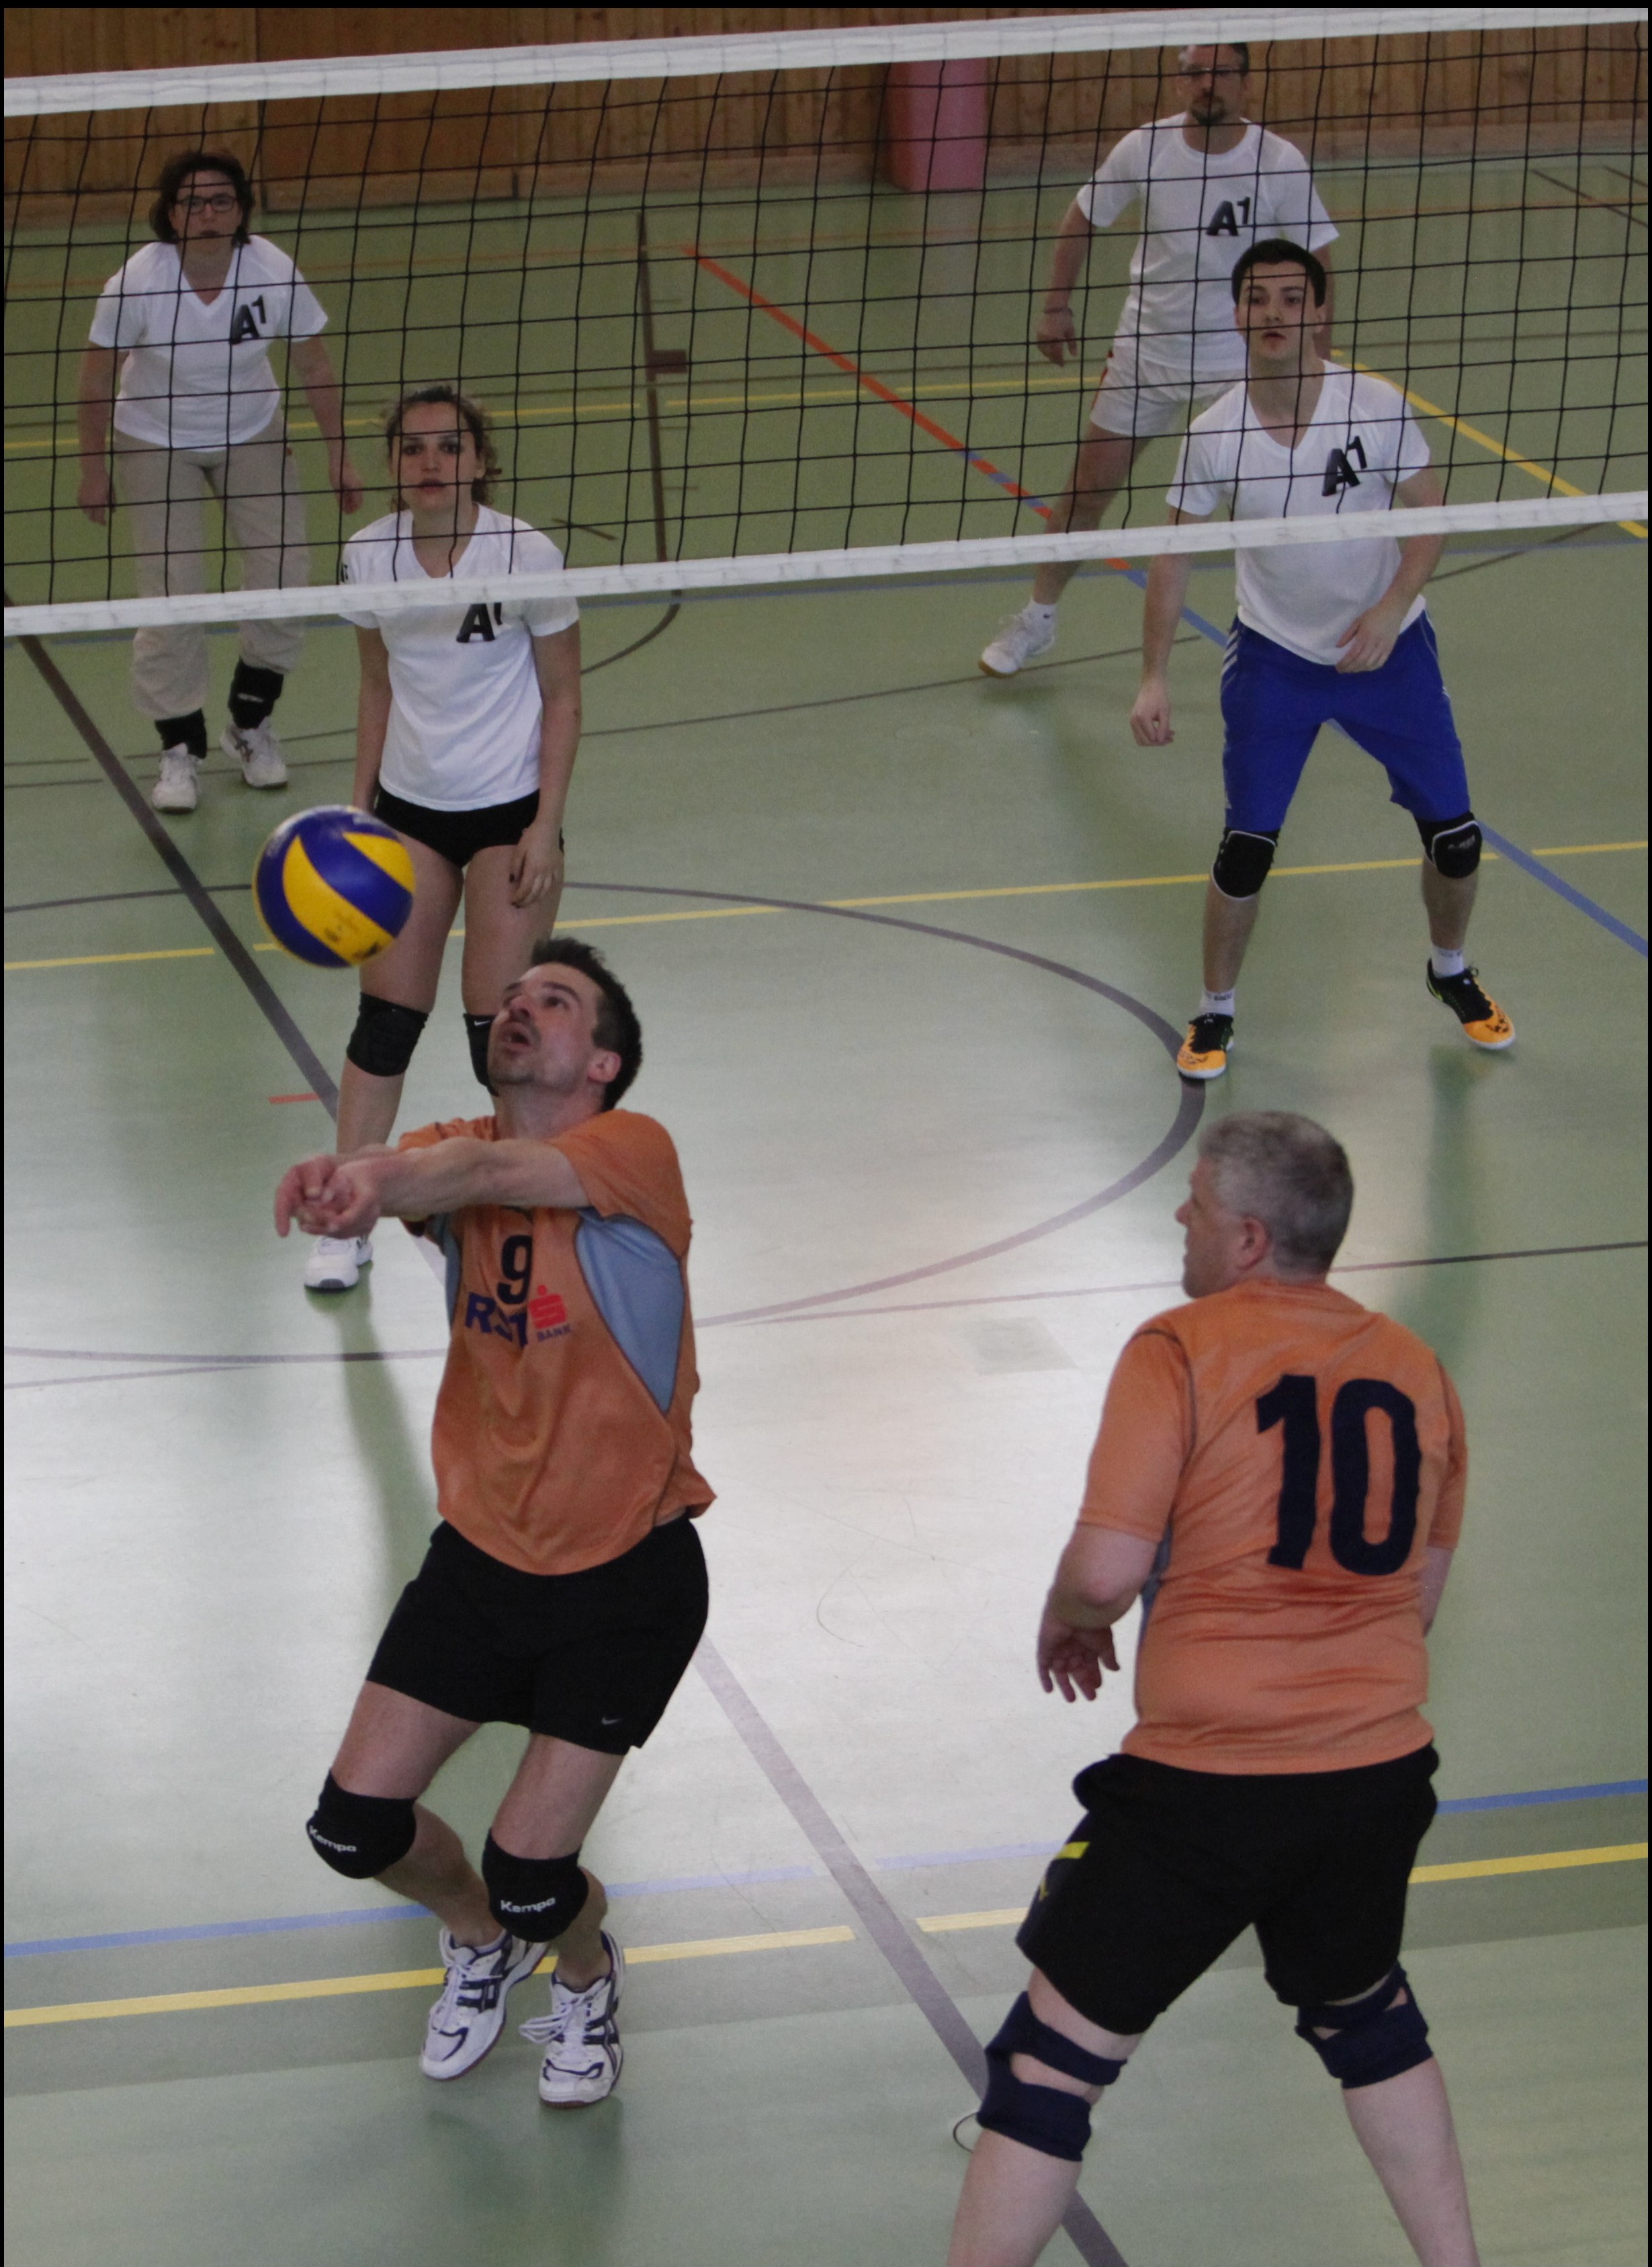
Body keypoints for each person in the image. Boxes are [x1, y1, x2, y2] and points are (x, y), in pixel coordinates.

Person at [947, 1111, 1481, 2267]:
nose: (1176, 1216)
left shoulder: (1177, 1348)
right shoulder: (1418, 1368)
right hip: (1375, 1771)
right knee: (1365, 2017)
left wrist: (1071, 1613)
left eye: (1193, 1204)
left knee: (1048, 2065)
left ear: (1245, 1238)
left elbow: (1104, 1569)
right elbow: (1418, 1599)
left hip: (1207, 1781)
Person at [274, 937, 711, 2106]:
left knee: (533, 1871)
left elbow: (477, 1172)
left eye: (553, 1001)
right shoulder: (451, 1149)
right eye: (511, 997)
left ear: (601, 1061)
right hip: (480, 1560)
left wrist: (391, 1179)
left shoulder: (632, 1152)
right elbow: (427, 1171)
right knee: (353, 1826)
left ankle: (583, 1969)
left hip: (625, 1574)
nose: (519, 1007)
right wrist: (355, 1177)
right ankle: (478, 1938)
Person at [1130, 241, 1514, 1080]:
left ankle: (1449, 969)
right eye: (1257, 298)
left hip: (1389, 653)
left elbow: (1428, 516)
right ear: (1236, 313)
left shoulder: (1372, 405)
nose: (1273, 313)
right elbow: (1171, 554)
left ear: (1318, 310)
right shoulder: (1213, 434)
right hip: (1273, 659)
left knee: (1455, 839)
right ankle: (1214, 1010)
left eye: (1290, 297)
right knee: (1244, 850)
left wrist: (1389, 608)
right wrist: (1153, 674)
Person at [306, 382, 582, 1294]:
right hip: (409, 815)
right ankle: (347, 1218)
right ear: (392, 464)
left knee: (498, 1032)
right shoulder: (367, 554)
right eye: (413, 448)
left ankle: (524, 1214)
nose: (430, 462)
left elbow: (564, 696)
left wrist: (545, 824)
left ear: (479, 461)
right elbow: (376, 685)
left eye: (449, 446)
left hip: (508, 814)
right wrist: (359, 816)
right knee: (385, 1022)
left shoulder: (525, 552)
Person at [979, 44, 1336, 678]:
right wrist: (1055, 306)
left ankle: (1309, 631)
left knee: (1276, 498)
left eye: (1221, 73)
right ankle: (1037, 618)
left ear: (1246, 84)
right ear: (1179, 84)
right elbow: (1081, 219)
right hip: (1145, 352)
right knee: (1086, 491)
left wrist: (1317, 360)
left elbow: (1317, 260)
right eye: (1194, 73)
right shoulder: (1145, 147)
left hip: (1238, 362)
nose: (1206, 84)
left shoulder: (1277, 160)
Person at [77, 147, 361, 814]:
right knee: (172, 593)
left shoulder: (271, 269)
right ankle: (179, 747)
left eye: (220, 201)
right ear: (170, 214)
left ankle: (249, 722)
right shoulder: (137, 282)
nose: (206, 214)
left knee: (285, 575)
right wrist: (93, 470)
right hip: (154, 435)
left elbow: (315, 367)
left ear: (240, 210)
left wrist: (339, 455)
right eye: (192, 202)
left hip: (252, 427)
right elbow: (94, 382)